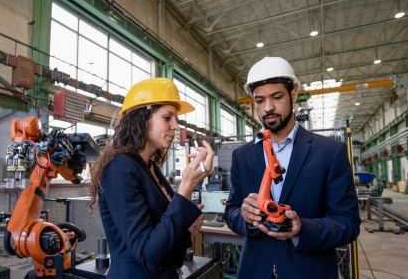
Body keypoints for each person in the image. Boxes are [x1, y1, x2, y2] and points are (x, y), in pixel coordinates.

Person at [224, 57, 361, 278]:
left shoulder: (329, 152)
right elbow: (231, 212)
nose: (268, 108)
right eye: (259, 101)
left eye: (276, 97)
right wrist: (246, 218)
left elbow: (348, 223)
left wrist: (301, 229)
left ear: (293, 94)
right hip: (254, 271)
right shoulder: (242, 156)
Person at [88, 78, 214, 279]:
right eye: (167, 117)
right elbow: (148, 256)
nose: (176, 126)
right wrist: (187, 186)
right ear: (141, 118)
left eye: (176, 118)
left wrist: (185, 229)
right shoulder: (120, 167)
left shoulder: (149, 168)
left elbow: (164, 244)